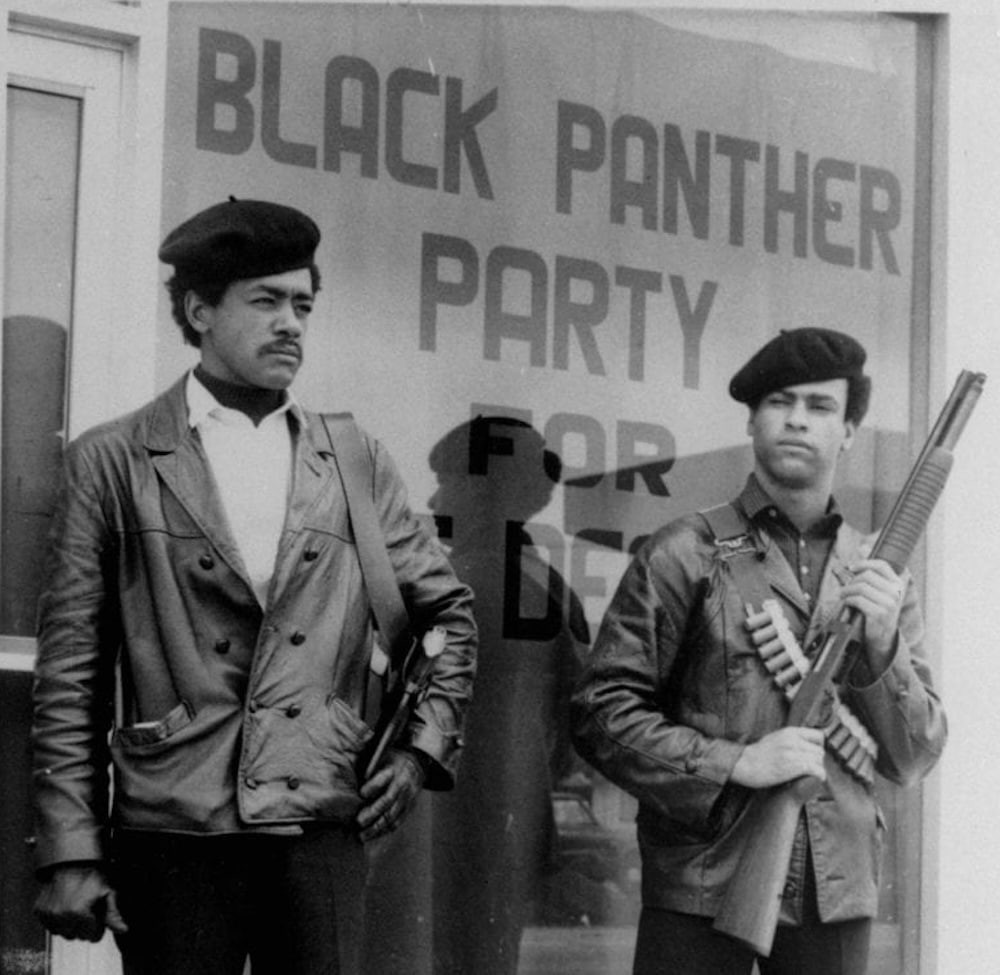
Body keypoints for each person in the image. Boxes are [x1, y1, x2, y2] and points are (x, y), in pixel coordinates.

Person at [30, 198, 478, 975]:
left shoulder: (352, 458)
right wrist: (71, 849)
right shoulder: (116, 461)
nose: (291, 323)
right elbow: (69, 676)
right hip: (174, 828)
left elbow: (450, 617)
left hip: (319, 824)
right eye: (265, 301)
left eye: (303, 303)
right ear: (199, 311)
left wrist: (417, 751)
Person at [570, 328, 947, 975]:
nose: (798, 419)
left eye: (821, 406)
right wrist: (736, 762)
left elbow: (915, 753)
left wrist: (883, 646)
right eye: (781, 401)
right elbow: (600, 712)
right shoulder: (681, 551)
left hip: (837, 891)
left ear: (849, 430)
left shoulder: (881, 576)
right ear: (752, 418)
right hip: (700, 882)